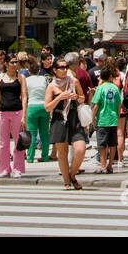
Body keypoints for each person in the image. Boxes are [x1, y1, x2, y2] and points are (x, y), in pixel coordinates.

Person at [46, 57, 87, 189]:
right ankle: (67, 181)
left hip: (74, 118)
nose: (64, 70)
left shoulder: (73, 81)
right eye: (61, 68)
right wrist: (59, 97)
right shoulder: (51, 86)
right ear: (54, 70)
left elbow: (82, 98)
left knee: (80, 149)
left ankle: (72, 174)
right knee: (62, 153)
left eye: (65, 67)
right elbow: (47, 107)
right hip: (59, 119)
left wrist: (76, 97)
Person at [0, 55, 28, 178]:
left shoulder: (21, 77)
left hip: (16, 111)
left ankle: (17, 168)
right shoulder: (0, 77)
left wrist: (24, 115)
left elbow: (24, 96)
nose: (15, 64)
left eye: (16, 62)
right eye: (13, 62)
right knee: (3, 142)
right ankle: (4, 168)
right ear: (7, 63)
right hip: (2, 111)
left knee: (18, 141)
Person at [91, 63, 122, 174]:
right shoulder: (115, 88)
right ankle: (110, 165)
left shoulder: (100, 89)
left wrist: (92, 119)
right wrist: (117, 116)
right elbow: (119, 104)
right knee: (112, 143)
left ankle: (103, 165)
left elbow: (96, 105)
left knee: (102, 144)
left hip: (102, 119)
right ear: (110, 77)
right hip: (113, 119)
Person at [24, 59, 51, 163]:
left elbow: (25, 95)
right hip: (44, 106)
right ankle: (45, 156)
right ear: (39, 71)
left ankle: (30, 157)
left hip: (32, 106)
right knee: (44, 133)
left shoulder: (27, 80)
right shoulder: (44, 79)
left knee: (32, 133)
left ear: (29, 72)